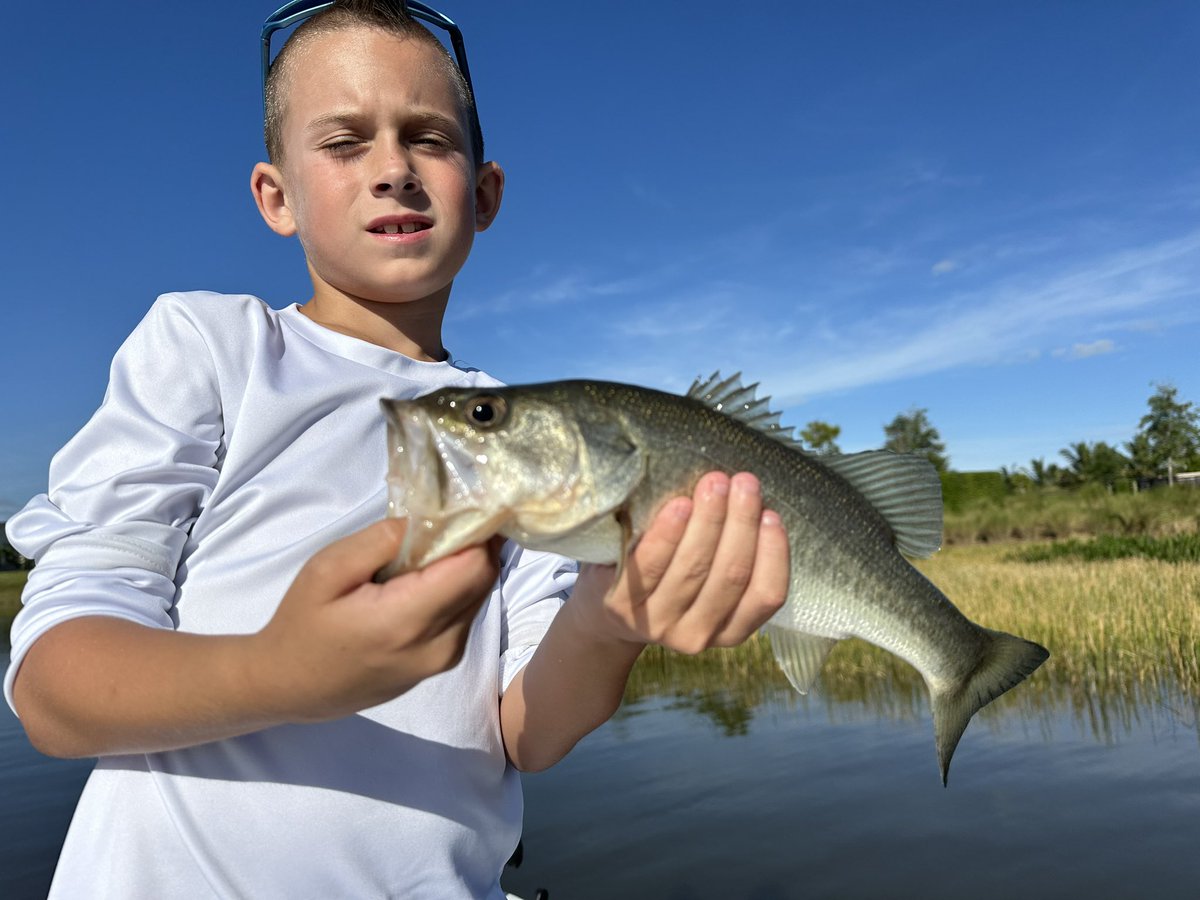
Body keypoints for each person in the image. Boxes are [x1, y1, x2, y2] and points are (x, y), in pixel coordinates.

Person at [4, 1, 790, 896]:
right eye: (343, 142)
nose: (392, 170)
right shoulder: (207, 344)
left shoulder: (533, 431)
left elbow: (527, 732)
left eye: (428, 138)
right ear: (277, 196)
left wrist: (610, 623)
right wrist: (281, 671)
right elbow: (51, 691)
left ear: (485, 193)